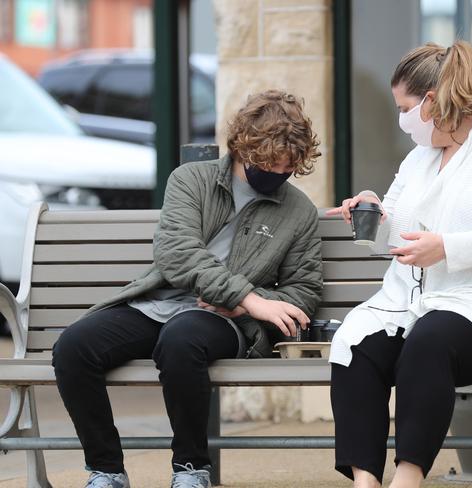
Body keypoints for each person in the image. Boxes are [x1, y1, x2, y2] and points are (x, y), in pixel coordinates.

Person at [52, 90, 323, 488]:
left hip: (223, 323)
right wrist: (247, 296)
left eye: (288, 167)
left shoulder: (298, 211)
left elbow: (303, 292)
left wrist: (244, 308)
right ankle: (106, 470)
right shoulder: (191, 180)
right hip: (157, 304)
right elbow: (176, 254)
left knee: (181, 340)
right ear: (241, 147)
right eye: (268, 163)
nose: (278, 172)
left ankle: (191, 469)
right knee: (74, 348)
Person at [326, 41, 472, 488]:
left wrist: (448, 247)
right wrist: (371, 210)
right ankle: (364, 481)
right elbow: (393, 235)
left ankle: (407, 479)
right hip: (418, 301)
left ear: (432, 102)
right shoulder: (419, 158)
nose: (401, 119)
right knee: (355, 343)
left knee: (429, 340)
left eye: (405, 107)